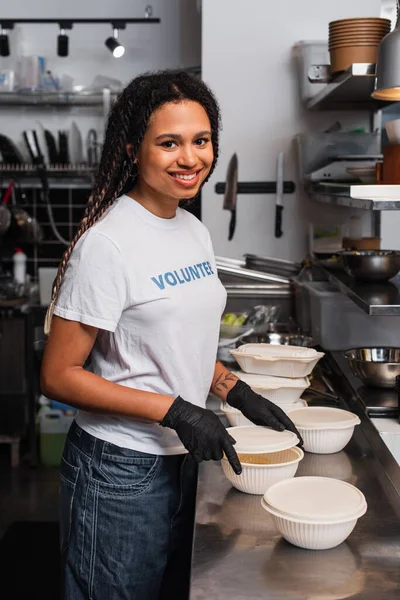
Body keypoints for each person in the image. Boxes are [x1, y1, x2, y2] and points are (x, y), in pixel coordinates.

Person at [40, 69, 302, 600]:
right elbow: (58, 376)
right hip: (120, 470)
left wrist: (235, 390)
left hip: (181, 462)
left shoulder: (191, 229)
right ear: (134, 150)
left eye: (201, 141)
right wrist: (176, 410)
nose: (190, 158)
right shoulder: (109, 244)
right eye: (169, 143)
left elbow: (171, 345)